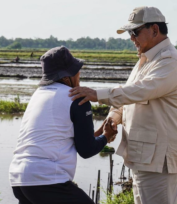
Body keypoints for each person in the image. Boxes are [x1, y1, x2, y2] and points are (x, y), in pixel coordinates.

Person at [69, 6, 177, 204]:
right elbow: (129, 96)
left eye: (135, 32)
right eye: (130, 33)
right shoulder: (145, 61)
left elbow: (141, 90)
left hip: (158, 162)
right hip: (144, 158)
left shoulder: (169, 61)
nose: (131, 38)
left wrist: (96, 94)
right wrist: (112, 119)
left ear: (154, 30)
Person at [9, 46, 117, 204]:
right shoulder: (77, 97)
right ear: (67, 77)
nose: (79, 75)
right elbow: (86, 150)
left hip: (19, 178)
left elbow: (70, 139)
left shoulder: (39, 95)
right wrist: (106, 137)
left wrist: (101, 132)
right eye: (77, 71)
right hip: (47, 180)